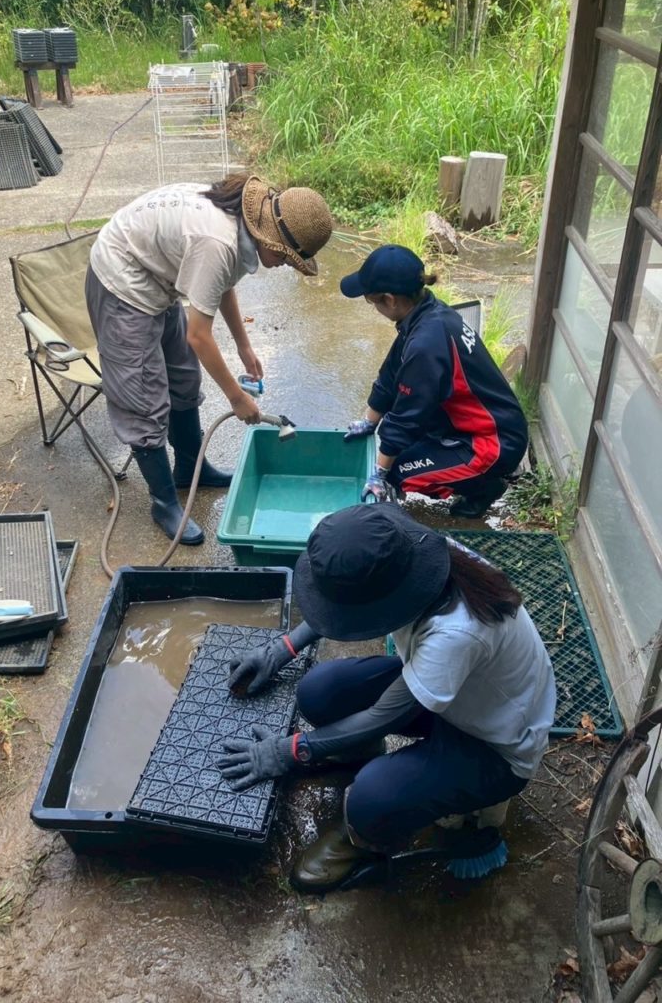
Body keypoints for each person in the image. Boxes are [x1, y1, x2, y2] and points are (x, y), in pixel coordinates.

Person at [218, 504, 555, 892]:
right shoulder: (416, 558)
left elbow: (385, 715)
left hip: (495, 744)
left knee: (371, 796)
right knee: (320, 691)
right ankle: (359, 752)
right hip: (455, 693)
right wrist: (282, 649)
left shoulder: (456, 633)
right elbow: (346, 601)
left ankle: (361, 838)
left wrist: (290, 751)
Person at [85, 173, 333, 545]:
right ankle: (164, 502)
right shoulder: (217, 242)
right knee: (144, 400)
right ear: (272, 241)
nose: (285, 266)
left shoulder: (244, 225)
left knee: (184, 379)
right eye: (286, 258)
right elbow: (198, 335)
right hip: (123, 282)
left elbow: (221, 283)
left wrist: (244, 345)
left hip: (158, 276)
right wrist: (236, 398)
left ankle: (189, 469)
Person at [340, 244, 529, 518]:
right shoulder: (426, 314)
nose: (373, 308)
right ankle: (467, 471)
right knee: (395, 445)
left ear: (390, 300)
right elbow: (391, 374)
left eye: (372, 302)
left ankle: (484, 487)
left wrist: (379, 474)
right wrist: (369, 422)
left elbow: (406, 417)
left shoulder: (426, 344)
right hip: (471, 424)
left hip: (493, 442)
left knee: (399, 473)